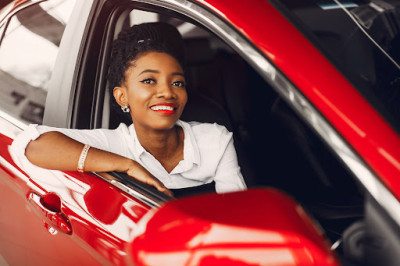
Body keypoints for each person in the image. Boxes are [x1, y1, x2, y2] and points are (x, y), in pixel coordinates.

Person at [10, 22, 246, 196]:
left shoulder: (215, 138)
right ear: (122, 96)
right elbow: (28, 144)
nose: (167, 92)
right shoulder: (113, 143)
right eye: (149, 81)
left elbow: (240, 214)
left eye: (177, 82)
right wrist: (126, 164)